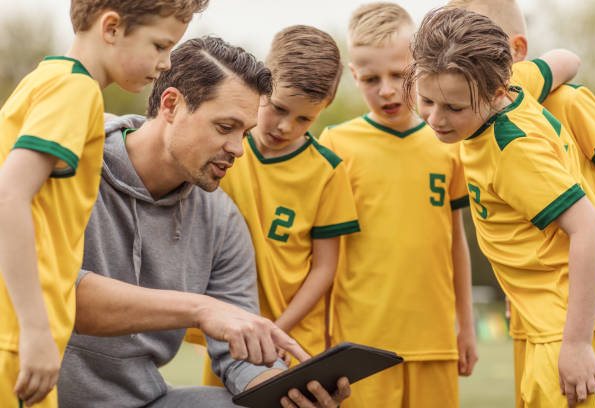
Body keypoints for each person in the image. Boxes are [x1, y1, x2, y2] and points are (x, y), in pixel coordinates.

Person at [56, 36, 351, 408]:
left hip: (143, 400)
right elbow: (58, 293)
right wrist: (200, 308)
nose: (239, 149)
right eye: (225, 127)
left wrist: (287, 390)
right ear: (171, 105)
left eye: (244, 132)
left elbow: (237, 355)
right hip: (38, 393)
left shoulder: (222, 220)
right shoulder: (71, 166)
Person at [0, 0, 206, 406]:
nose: (165, 63)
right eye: (160, 45)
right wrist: (36, 331)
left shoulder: (47, 79)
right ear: (111, 28)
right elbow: (8, 195)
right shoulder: (75, 92)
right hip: (15, 340)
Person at [406, 6, 595, 407]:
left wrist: (575, 345)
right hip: (538, 321)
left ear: (496, 91)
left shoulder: (514, 151)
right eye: (427, 99)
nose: (435, 119)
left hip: (563, 327)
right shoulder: (515, 82)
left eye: (454, 108)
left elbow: (590, 229)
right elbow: (567, 60)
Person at [318, 3, 476, 407]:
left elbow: (455, 240)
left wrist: (466, 325)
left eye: (399, 75)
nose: (386, 89)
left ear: (420, 68)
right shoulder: (335, 145)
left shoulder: (448, 142)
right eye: (371, 78)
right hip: (359, 347)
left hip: (435, 340)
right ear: (353, 76)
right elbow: (321, 253)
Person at [186, 24, 360, 386]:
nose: (285, 126)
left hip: (290, 340)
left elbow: (324, 269)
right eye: (278, 108)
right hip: (229, 337)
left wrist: (275, 332)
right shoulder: (222, 150)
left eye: (304, 119)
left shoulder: (327, 172)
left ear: (323, 110)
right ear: (263, 86)